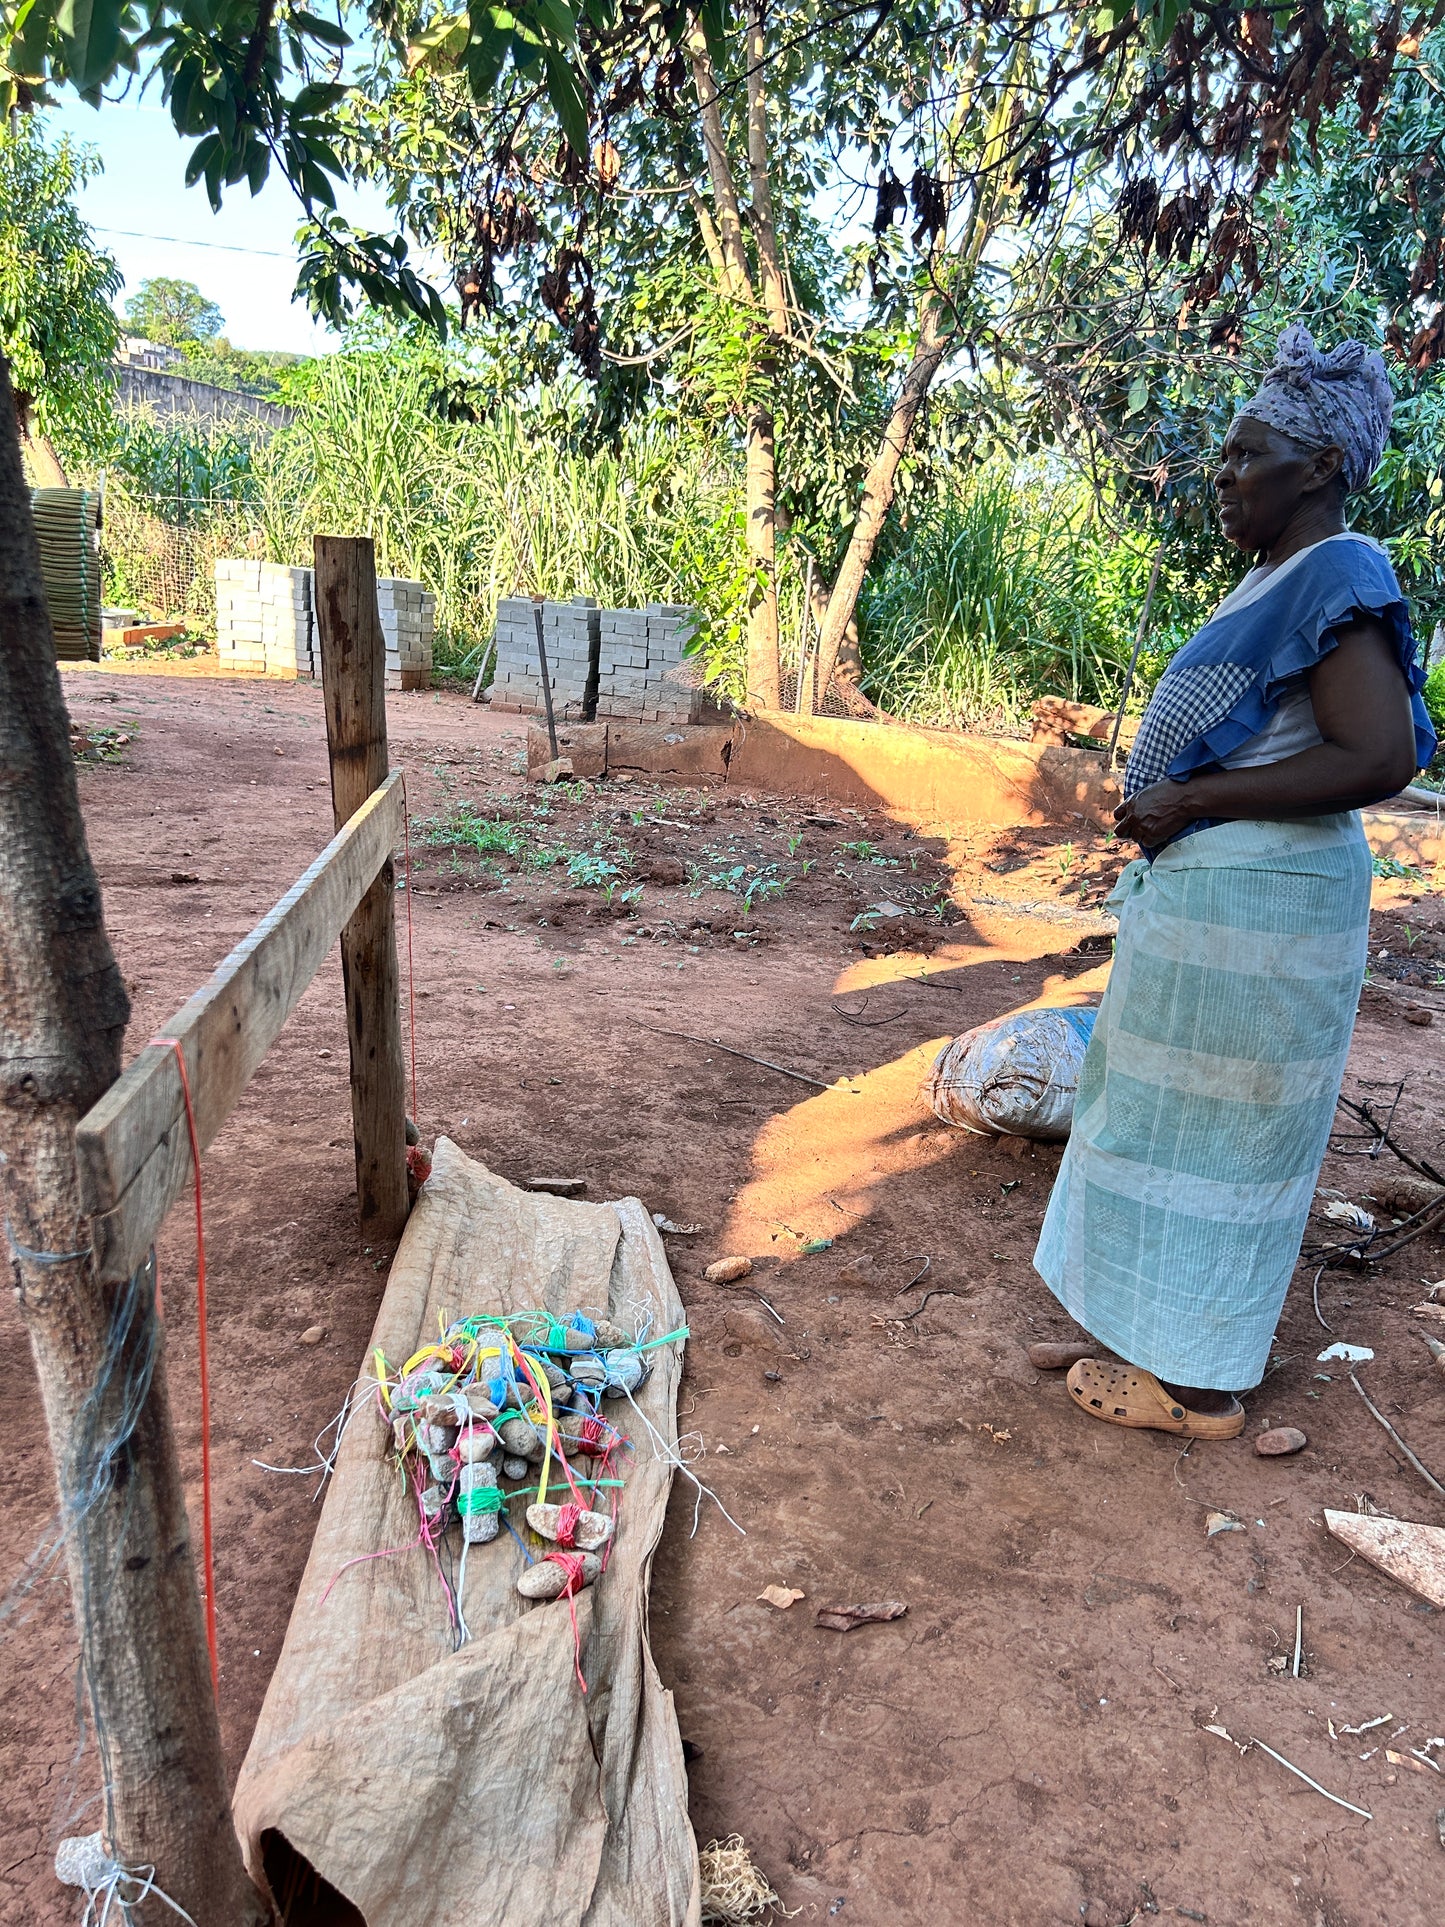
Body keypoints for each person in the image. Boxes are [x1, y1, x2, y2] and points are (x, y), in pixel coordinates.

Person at [1034, 323, 1437, 1440]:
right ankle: (1142, 1324)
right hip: (1213, 918)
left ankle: (1197, 1384)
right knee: (1155, 1121)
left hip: (1264, 916)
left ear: (1314, 469)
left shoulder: (1339, 570)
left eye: (1241, 456)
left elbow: (1377, 758)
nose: (1220, 477)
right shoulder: (1276, 575)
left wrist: (1191, 801)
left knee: (1220, 1145)